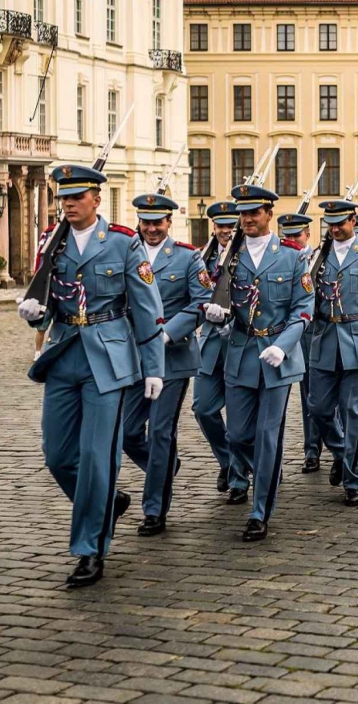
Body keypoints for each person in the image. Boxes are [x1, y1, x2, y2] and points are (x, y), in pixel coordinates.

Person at [18, 164, 164, 587]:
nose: (69, 204)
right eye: (64, 197)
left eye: (77, 197)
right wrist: (33, 316)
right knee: (59, 455)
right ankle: (108, 503)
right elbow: (45, 297)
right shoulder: (52, 240)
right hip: (64, 353)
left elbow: (145, 306)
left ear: (96, 200)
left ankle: (90, 548)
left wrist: (153, 366)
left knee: (99, 459)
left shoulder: (122, 242)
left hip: (110, 356)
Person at [200, 183, 313, 539]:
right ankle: (265, 470)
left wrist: (284, 345)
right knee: (237, 434)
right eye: (243, 213)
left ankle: (260, 511)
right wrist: (216, 315)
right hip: (241, 350)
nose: (247, 219)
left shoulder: (292, 256)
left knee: (267, 436)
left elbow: (303, 308)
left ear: (268, 214)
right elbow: (219, 299)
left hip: (278, 355)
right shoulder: (228, 257)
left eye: (254, 213)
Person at [121, 192, 211, 538]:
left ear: (169, 222)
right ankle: (165, 466)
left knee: (160, 431)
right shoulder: (127, 252)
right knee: (128, 433)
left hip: (172, 358)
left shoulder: (188, 258)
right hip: (133, 357)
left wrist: (166, 335)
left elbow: (201, 302)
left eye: (158, 222)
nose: (151, 228)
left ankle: (154, 509)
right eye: (146, 222)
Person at [304, 198, 358, 508]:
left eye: (341, 222)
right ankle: (342, 453)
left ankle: (352, 480)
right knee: (319, 409)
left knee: (351, 411)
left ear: (354, 221)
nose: (336, 228)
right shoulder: (318, 257)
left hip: (357, 344)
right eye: (331, 223)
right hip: (324, 341)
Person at [191, 201, 252, 503]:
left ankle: (240, 477)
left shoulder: (250, 254)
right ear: (213, 227)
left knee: (240, 418)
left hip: (240, 342)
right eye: (220, 225)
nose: (226, 231)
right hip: (210, 344)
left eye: (230, 225)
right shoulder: (202, 257)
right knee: (203, 408)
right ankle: (227, 460)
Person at [277, 211, 324, 475]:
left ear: (307, 234)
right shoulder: (281, 259)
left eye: (297, 234)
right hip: (288, 334)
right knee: (292, 398)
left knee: (315, 396)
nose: (293, 239)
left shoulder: (321, 258)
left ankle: (317, 447)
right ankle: (301, 452)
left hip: (315, 332)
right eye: (288, 236)